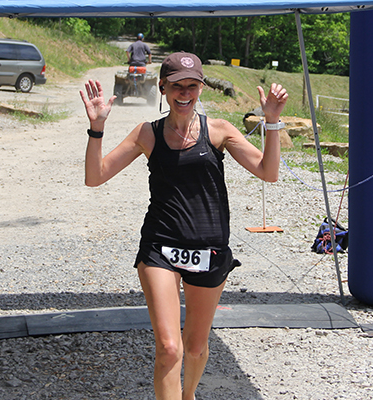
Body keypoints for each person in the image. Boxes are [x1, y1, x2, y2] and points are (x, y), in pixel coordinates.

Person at [79, 52, 288, 400]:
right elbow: (94, 177)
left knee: (194, 348)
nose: (185, 92)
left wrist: (272, 122)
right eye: (177, 85)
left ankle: (188, 394)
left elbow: (268, 172)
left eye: (192, 85)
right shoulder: (148, 133)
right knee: (169, 347)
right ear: (163, 87)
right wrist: (96, 127)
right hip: (160, 247)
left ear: (201, 88)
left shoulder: (218, 130)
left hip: (210, 251)